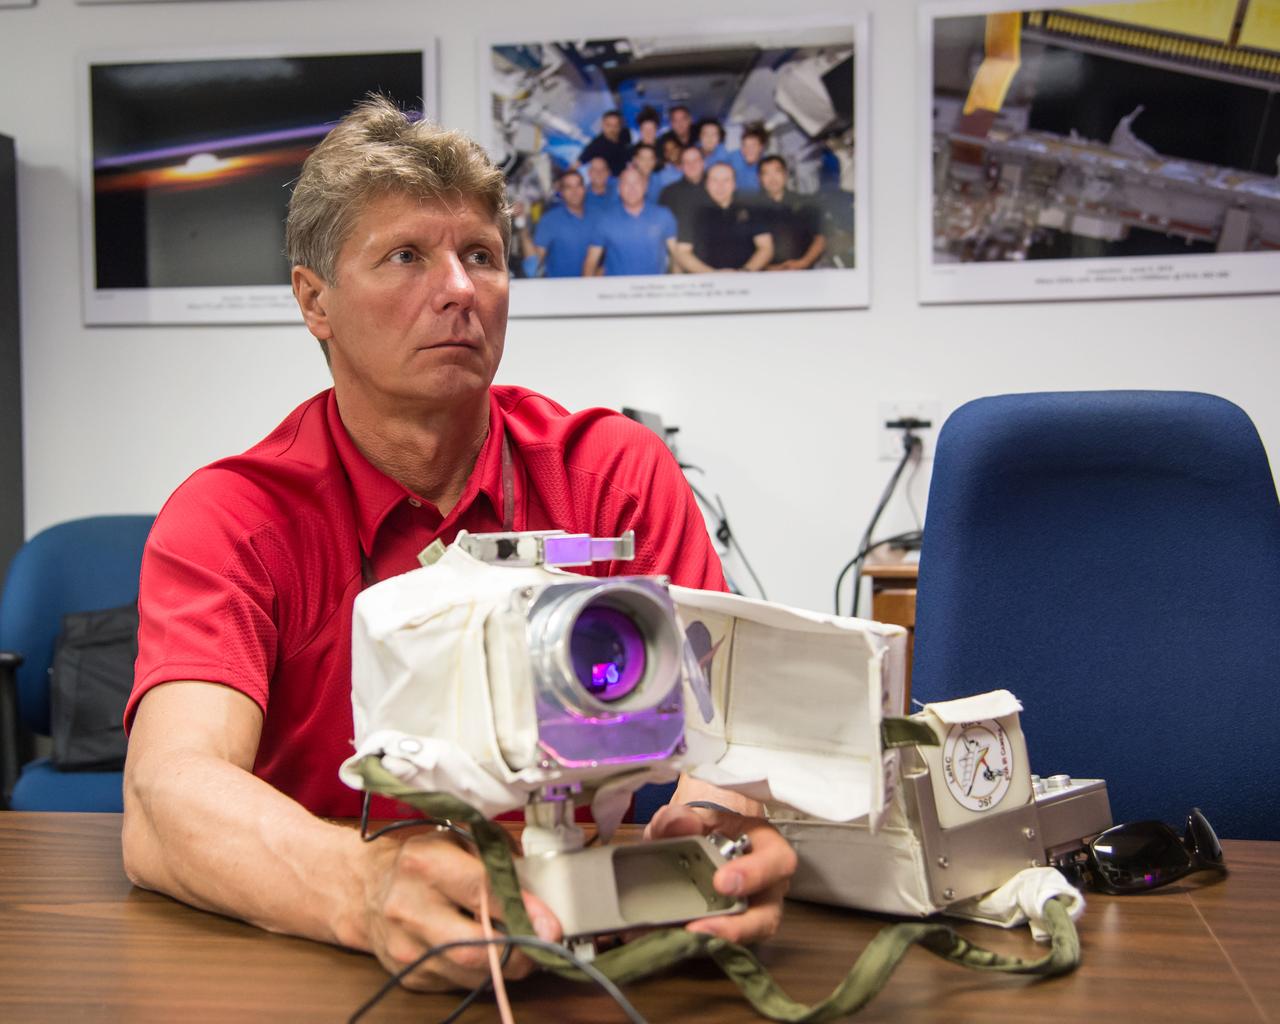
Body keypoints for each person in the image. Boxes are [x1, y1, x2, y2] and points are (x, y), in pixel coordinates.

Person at [121, 96, 795, 994]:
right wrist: (358, 890)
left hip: (581, 949)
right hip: (312, 955)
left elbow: (724, 744)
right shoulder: (231, 517)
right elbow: (165, 799)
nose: (459, 289)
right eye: (406, 256)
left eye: (482, 256)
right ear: (313, 300)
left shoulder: (613, 475)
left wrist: (712, 833)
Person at [675, 162, 772, 272]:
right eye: (714, 180)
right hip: (706, 281)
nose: (720, 186)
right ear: (706, 184)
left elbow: (766, 248)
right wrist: (712, 275)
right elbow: (683, 252)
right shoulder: (691, 211)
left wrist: (744, 272)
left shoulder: (752, 208)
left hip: (747, 279)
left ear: (735, 184)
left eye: (726, 180)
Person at [582, 167, 678, 277]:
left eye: (636, 183)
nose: (631, 188)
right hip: (616, 290)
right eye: (626, 183)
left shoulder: (663, 215)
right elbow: (591, 262)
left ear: (645, 186)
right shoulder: (605, 219)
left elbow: (676, 255)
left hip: (654, 289)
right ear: (619, 188)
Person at [753, 155, 826, 270]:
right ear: (759, 178)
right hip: (766, 275)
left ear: (786, 174)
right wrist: (767, 268)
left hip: (803, 272)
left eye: (777, 172)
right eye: (766, 173)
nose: (772, 178)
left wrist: (803, 263)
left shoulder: (806, 202)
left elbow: (821, 238)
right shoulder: (753, 208)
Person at [519, 170, 594, 278]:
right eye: (569, 187)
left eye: (578, 185)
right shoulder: (550, 220)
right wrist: (522, 227)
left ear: (584, 189)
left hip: (595, 288)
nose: (575, 191)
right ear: (562, 192)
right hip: (559, 289)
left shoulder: (597, 217)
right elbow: (533, 267)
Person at [658, 144, 711, 240]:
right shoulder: (669, 193)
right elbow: (663, 227)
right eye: (687, 162)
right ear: (681, 166)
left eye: (695, 160)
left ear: (703, 163)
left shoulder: (717, 189)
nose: (692, 165)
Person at [576, 109, 631, 176]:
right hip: (610, 181)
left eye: (616, 125)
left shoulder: (625, 134)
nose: (612, 129)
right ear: (602, 125)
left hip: (628, 177)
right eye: (608, 125)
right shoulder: (596, 145)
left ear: (620, 126)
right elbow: (577, 164)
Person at [727, 124, 768, 196]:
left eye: (753, 146)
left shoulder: (767, 166)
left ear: (761, 148)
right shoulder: (732, 158)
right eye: (744, 145)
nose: (748, 150)